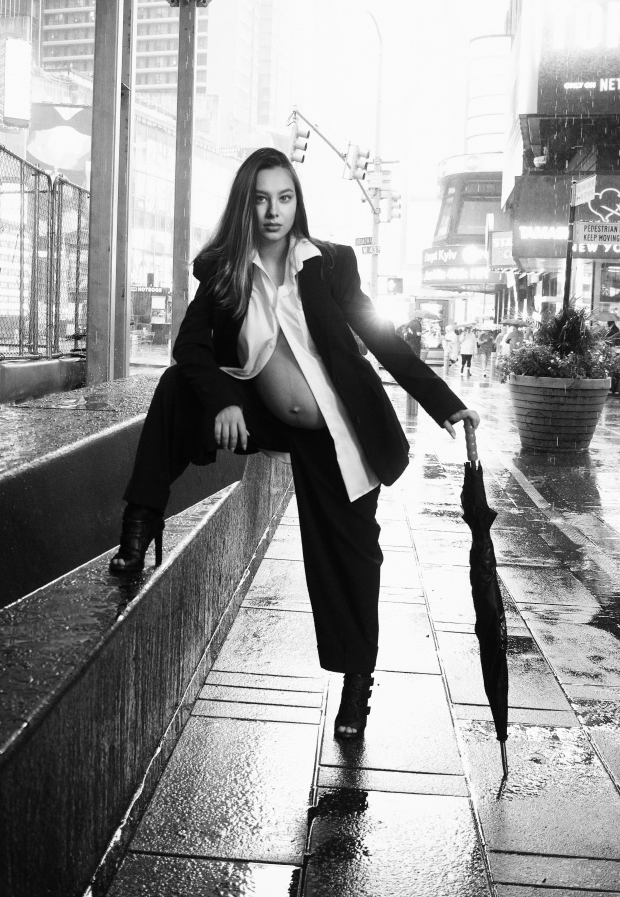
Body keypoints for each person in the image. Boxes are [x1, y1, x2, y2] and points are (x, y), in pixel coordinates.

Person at [109, 148, 479, 741]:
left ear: (296, 202)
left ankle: (356, 684)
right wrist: (223, 401)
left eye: (284, 198)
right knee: (179, 387)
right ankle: (140, 519)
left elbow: (380, 336)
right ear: (246, 205)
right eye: (261, 199)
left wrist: (443, 401)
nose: (273, 211)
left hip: (337, 432)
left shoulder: (330, 264)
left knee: (353, 559)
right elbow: (190, 346)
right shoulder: (224, 270)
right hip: (260, 415)